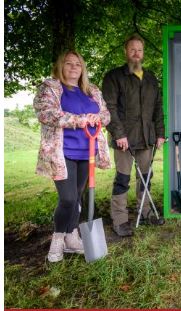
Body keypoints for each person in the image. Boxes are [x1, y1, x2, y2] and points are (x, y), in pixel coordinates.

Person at [33, 50, 111, 262]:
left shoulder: (92, 90)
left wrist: (97, 117)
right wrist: (79, 119)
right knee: (67, 198)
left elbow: (106, 114)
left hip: (88, 151)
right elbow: (45, 113)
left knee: (77, 197)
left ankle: (72, 237)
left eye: (78, 64)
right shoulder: (50, 88)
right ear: (61, 66)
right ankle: (58, 239)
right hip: (62, 152)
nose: (74, 67)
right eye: (69, 63)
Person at [102, 33, 166, 237]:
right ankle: (119, 219)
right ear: (126, 52)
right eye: (132, 50)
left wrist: (160, 133)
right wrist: (118, 134)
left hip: (147, 138)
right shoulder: (114, 77)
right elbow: (109, 108)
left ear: (143, 53)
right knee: (122, 178)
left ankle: (145, 212)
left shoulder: (150, 78)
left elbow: (157, 107)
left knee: (146, 177)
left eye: (139, 50)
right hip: (124, 140)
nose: (136, 54)